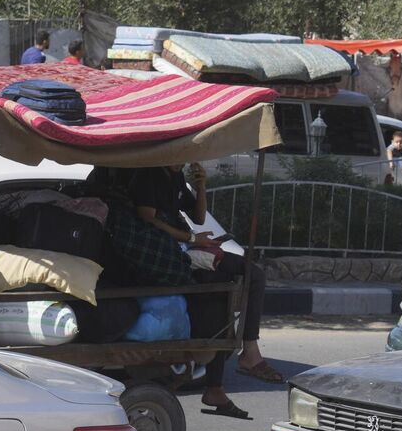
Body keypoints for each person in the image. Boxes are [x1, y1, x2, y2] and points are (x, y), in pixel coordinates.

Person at [93, 165, 279, 417]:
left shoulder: (176, 176)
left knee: (224, 290)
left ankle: (216, 386)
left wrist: (201, 186)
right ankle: (248, 355)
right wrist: (191, 240)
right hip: (171, 254)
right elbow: (147, 216)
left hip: (185, 249)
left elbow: (199, 218)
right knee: (251, 275)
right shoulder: (150, 175)